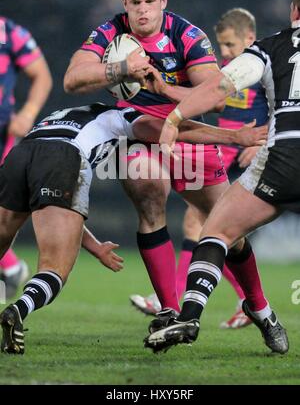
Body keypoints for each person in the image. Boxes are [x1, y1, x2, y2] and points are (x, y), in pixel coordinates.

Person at [64, 0, 271, 336]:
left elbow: (218, 99)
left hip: (191, 134)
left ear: (164, 1)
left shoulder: (186, 34)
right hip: (140, 135)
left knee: (228, 228)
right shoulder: (111, 32)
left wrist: (164, 90)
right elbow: (73, 78)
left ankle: (257, 305)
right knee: (147, 190)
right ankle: (171, 310)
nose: (142, 10)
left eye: (149, 2)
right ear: (124, 3)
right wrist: (120, 68)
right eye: (134, 3)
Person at [0, 97, 266, 355]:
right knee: (54, 269)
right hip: (64, 158)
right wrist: (233, 136)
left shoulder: (60, 115)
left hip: (20, 154)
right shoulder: (122, 116)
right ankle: (19, 310)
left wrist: (94, 247)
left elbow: (58, 210)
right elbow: (173, 130)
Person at [144, 0, 300, 355]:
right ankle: (255, 309)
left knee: (215, 231)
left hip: (282, 158)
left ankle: (191, 314)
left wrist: (175, 117)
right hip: (256, 149)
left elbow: (219, 87)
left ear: (294, 12)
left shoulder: (270, 46)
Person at [130, 8, 269, 330]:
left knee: (210, 226)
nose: (225, 53)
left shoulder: (262, 68)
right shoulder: (226, 74)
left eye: (231, 45)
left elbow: (284, 109)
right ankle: (241, 300)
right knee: (205, 226)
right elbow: (203, 100)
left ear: (249, 38)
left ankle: (179, 297)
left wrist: (260, 142)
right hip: (225, 151)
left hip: (249, 153)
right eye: (221, 46)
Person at [0, 16, 53, 298]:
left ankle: (11, 267)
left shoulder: (10, 33)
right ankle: (10, 267)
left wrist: (28, 114)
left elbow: (42, 75)